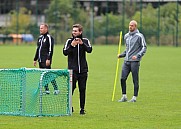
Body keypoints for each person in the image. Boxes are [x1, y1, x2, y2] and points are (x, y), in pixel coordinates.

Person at [63, 24, 92, 115]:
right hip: (72, 71)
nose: (74, 32)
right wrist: (72, 45)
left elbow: (90, 50)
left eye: (76, 31)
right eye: (73, 31)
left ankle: (82, 109)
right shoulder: (69, 41)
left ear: (80, 32)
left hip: (83, 70)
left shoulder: (85, 41)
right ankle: (69, 106)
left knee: (82, 89)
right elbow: (65, 52)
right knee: (71, 89)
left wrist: (82, 44)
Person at [118, 20, 147, 102]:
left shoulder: (139, 36)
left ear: (135, 27)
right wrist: (121, 55)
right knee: (122, 78)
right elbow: (127, 49)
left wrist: (138, 55)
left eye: (132, 25)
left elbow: (144, 47)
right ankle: (124, 96)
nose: (130, 27)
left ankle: (134, 97)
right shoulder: (126, 36)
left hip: (135, 62)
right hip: (126, 61)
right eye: (129, 25)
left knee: (135, 79)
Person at [33, 23, 59, 95]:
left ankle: (56, 89)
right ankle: (47, 90)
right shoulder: (40, 38)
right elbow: (38, 49)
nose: (40, 29)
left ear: (46, 29)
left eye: (42, 28)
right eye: (40, 28)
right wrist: (35, 59)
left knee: (49, 74)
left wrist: (48, 59)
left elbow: (51, 49)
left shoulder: (49, 37)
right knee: (43, 75)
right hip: (40, 60)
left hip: (46, 60)